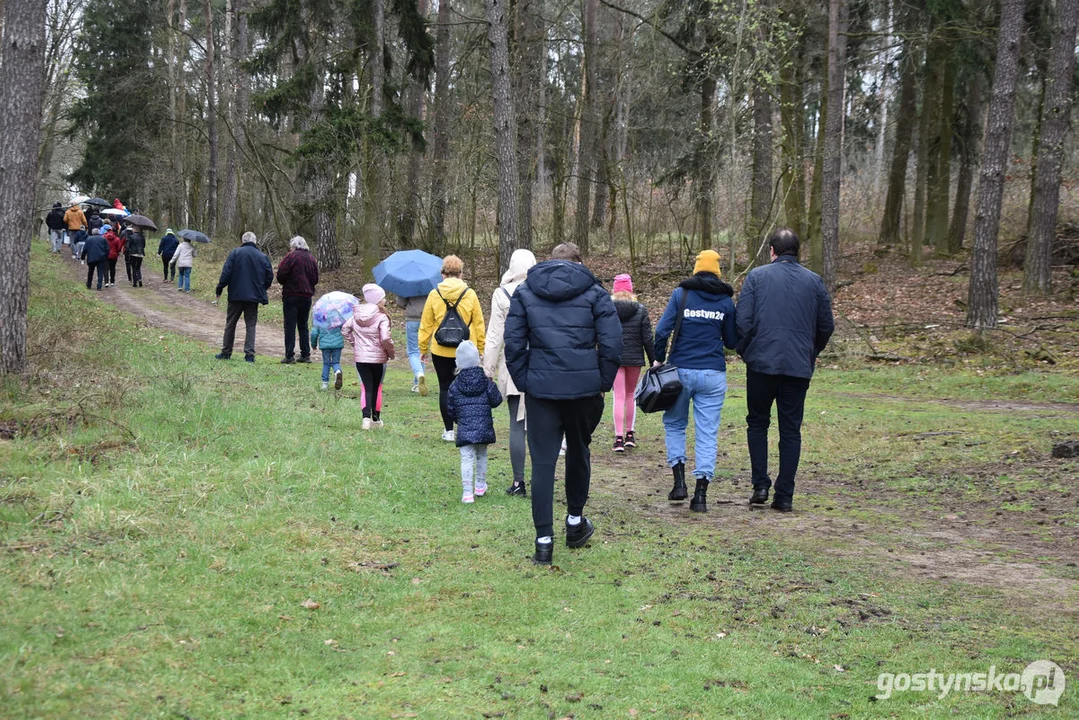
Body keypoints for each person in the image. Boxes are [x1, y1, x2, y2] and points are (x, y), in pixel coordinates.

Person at [504, 242, 622, 566]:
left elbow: (512, 343)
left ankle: (544, 541)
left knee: (542, 464)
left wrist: (526, 381)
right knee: (579, 451)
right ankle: (574, 522)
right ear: (579, 263)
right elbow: (613, 343)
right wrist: (602, 382)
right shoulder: (596, 293)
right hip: (582, 391)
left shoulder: (526, 293)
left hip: (542, 391)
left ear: (549, 262)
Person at [736, 228, 834, 513]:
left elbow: (743, 320)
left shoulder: (757, 277)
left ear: (772, 251)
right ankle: (785, 495)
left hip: (762, 365)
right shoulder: (814, 282)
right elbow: (826, 326)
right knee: (790, 430)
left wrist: (747, 350)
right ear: (798, 252)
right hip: (796, 367)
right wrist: (808, 351)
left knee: (757, 423)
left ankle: (760, 485)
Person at [653, 249, 738, 513]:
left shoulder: (682, 294)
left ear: (696, 268)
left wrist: (658, 359)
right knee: (707, 433)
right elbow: (733, 342)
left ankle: (679, 483)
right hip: (713, 374)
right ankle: (700, 495)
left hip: (681, 371)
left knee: (676, 425)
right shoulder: (725, 301)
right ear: (717, 271)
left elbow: (661, 330)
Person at [482, 248, 537, 496]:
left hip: (514, 365)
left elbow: (495, 336)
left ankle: (518, 482)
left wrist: (487, 370)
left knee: (517, 424)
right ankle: (541, 479)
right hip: (543, 365)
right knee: (542, 426)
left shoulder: (502, 294)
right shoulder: (542, 289)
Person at [418, 255, 486, 443]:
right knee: (466, 389)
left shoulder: (434, 294)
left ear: (443, 274)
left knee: (445, 388)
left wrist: (422, 348)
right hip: (466, 349)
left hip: (440, 349)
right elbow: (479, 323)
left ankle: (449, 430)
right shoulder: (469, 293)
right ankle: (465, 427)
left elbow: (426, 324)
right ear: (461, 273)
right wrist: (481, 347)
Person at [447, 340, 503, 503]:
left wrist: (459, 420)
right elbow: (497, 400)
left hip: (465, 427)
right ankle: (480, 485)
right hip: (483, 426)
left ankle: (467, 493)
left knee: (466, 458)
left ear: (458, 363)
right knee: (481, 454)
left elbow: (450, 408)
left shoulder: (455, 385)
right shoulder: (485, 381)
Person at [610, 273, 655, 453]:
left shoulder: (608, 309)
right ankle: (630, 435)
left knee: (618, 396)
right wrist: (654, 361)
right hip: (635, 358)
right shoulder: (640, 309)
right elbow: (647, 338)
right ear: (631, 289)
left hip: (615, 358)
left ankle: (618, 437)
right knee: (630, 395)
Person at [214, 231, 274, 363]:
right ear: (255, 241)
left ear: (243, 241)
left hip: (235, 295)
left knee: (230, 324)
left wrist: (219, 288)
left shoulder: (235, 253)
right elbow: (270, 275)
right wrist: (262, 287)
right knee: (250, 325)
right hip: (253, 297)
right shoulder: (262, 256)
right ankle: (249, 355)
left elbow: (226, 272)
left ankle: (226, 351)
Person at [342, 283, 396, 429]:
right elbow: (385, 338)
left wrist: (356, 344)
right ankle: (376, 420)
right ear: (378, 300)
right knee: (377, 387)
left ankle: (365, 419)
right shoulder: (382, 316)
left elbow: (345, 329)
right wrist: (390, 352)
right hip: (378, 358)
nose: (385, 300)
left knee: (366, 387)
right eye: (383, 298)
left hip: (361, 359)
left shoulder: (356, 314)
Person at [276, 236, 320, 364]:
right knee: (303, 325)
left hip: (291, 294)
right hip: (306, 296)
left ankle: (289, 355)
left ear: (294, 246)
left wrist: (286, 282)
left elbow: (281, 274)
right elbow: (315, 279)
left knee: (290, 325)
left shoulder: (291, 256)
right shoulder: (312, 258)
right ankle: (305, 354)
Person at [395, 294, 428, 395]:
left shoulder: (408, 283)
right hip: (427, 319)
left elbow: (400, 302)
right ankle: (417, 381)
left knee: (413, 351)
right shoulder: (432, 284)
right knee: (422, 350)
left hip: (412, 319)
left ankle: (419, 376)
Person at [310, 321, 344, 391]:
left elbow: (314, 333)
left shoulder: (319, 317)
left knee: (326, 363)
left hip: (325, 345)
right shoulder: (338, 315)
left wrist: (314, 345)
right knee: (336, 362)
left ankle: (325, 384)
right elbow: (345, 328)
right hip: (337, 344)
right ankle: (338, 372)